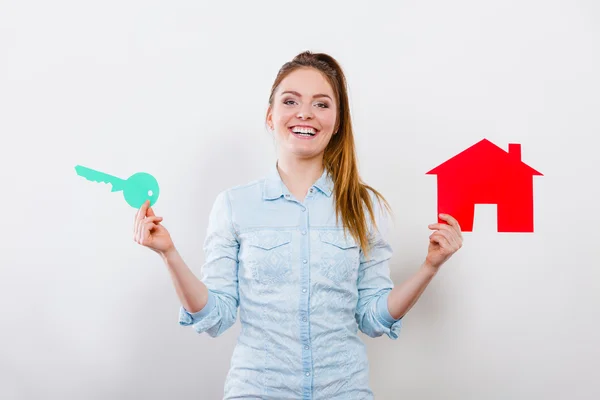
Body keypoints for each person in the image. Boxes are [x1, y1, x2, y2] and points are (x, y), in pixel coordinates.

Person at [132, 50, 463, 399]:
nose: (305, 113)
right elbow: (216, 316)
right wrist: (168, 253)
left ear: (337, 123)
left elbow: (372, 318)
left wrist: (430, 266)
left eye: (321, 104)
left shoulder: (364, 207)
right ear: (270, 116)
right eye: (291, 101)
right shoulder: (234, 205)